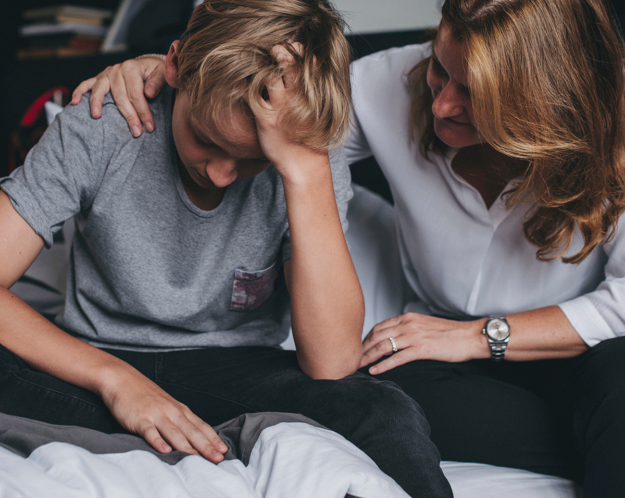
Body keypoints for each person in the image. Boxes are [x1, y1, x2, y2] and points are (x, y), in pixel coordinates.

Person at [81, 0, 625, 496]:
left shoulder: (613, 133)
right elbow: (270, 109)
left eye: (476, 97)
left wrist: (477, 337)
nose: (442, 106)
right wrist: (162, 70)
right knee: (377, 395)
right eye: (440, 69)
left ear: (547, 101)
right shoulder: (390, 83)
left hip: (582, 353)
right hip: (435, 355)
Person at [0, 1, 454, 497]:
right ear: (174, 66)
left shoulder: (307, 159)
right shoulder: (104, 125)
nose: (220, 175)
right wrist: (115, 381)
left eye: (251, 159)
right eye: (205, 139)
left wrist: (302, 172)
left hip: (233, 371)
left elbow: (332, 362)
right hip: (96, 359)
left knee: (382, 409)